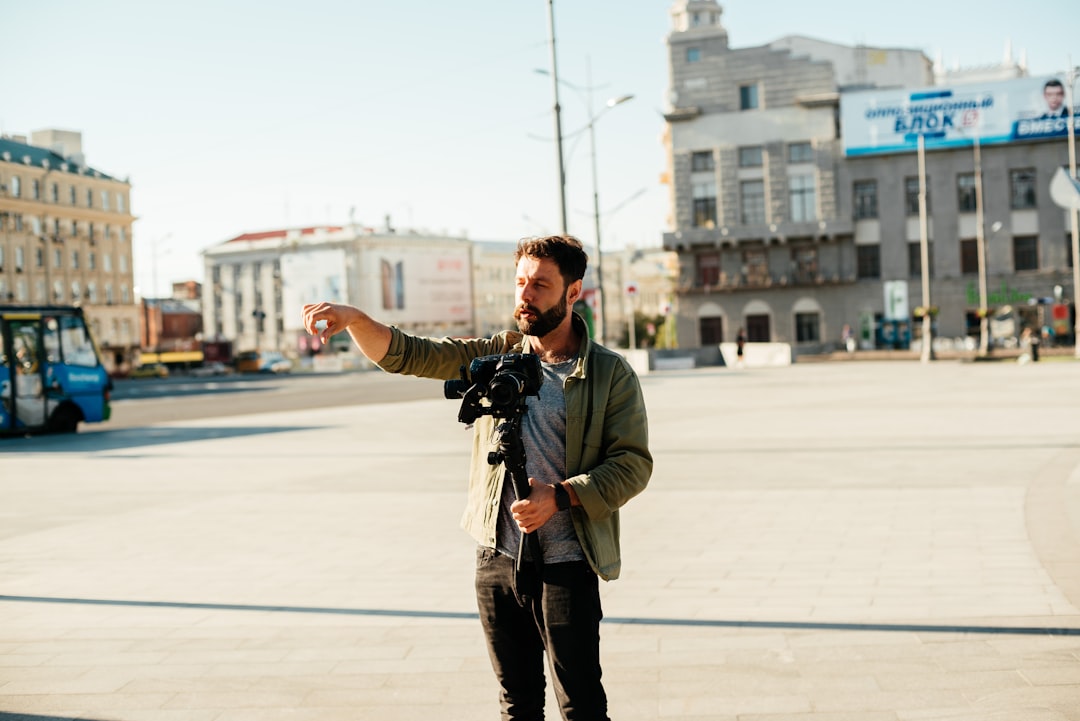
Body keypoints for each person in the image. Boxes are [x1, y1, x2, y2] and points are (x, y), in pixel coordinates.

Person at [302, 234, 652, 721]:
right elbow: (410, 354)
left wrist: (563, 495)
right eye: (521, 283)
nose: (525, 296)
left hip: (568, 562)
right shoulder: (495, 356)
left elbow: (633, 463)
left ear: (573, 293)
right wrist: (356, 320)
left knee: (582, 707)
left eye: (541, 285)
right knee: (516, 706)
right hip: (497, 560)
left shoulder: (609, 373)